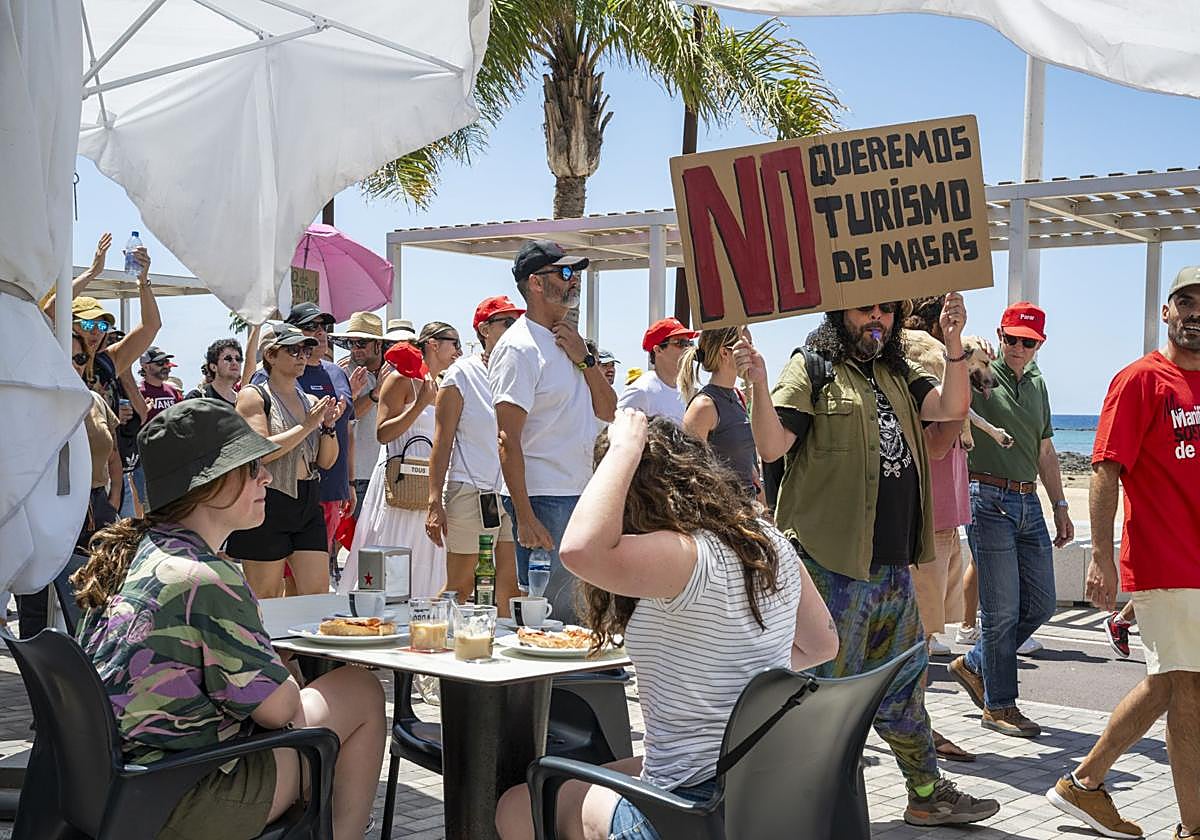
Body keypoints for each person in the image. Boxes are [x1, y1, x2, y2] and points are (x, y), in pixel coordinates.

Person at [494, 410, 840, 840]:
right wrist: (734, 656)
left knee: (518, 805)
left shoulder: (683, 555)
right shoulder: (765, 542)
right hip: (762, 792)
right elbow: (823, 645)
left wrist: (623, 448)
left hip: (688, 808)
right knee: (586, 776)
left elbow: (579, 549)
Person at [72, 399, 385, 840]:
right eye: (250, 466)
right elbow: (280, 710)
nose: (266, 476)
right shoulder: (205, 577)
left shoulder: (138, 552)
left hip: (120, 786)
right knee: (360, 689)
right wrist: (285, 672)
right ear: (208, 483)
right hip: (183, 798)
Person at [741, 293, 1000, 827]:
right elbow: (770, 446)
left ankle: (926, 794)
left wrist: (953, 344)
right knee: (825, 696)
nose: (875, 319)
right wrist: (758, 382)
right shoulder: (810, 366)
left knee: (904, 686)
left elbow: (949, 409)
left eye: (884, 310)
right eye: (864, 310)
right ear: (841, 315)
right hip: (828, 567)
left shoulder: (900, 372)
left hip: (891, 567)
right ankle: (805, 809)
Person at [1046, 267, 1200, 840]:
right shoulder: (1139, 380)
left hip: (1198, 566)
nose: (1194, 312)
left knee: (1167, 683)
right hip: (1166, 560)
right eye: (1184, 301)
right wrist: (1102, 555)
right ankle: (1192, 826)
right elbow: (1106, 469)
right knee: (1190, 685)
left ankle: (1083, 785)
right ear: (1166, 312)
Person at [947, 301, 1073, 738]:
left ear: (1039, 344)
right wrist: (956, 337)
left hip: (1029, 503)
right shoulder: (977, 370)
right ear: (999, 335)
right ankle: (999, 706)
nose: (1018, 347)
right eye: (1011, 338)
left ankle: (976, 663)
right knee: (1000, 613)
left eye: (1028, 341)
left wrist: (1060, 506)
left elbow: (1045, 451)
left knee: (1041, 604)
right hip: (987, 498)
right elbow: (946, 378)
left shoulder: (1038, 384)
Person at [490, 241, 617, 622]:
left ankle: (580, 680)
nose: (573, 280)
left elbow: (609, 409)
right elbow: (506, 438)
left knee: (583, 609)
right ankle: (559, 684)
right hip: (544, 498)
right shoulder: (519, 348)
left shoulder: (570, 344)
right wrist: (525, 516)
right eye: (564, 273)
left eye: (575, 273)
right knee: (553, 616)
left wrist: (587, 359)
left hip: (580, 492)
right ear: (536, 284)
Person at [15, 334, 123, 639]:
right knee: (38, 595)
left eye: (78, 358)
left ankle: (93, 663)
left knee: (97, 590)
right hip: (47, 504)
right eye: (64, 356)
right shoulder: (32, 403)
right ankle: (39, 674)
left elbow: (113, 453)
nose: (72, 364)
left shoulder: (96, 401)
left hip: (95, 504)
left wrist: (114, 497)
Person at [342, 322, 460, 598]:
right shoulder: (400, 379)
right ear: (432, 343)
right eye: (453, 342)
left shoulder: (444, 384)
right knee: (392, 553)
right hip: (399, 484)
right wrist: (420, 404)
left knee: (428, 556)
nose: (458, 349)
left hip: (429, 486)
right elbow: (383, 432)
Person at [228, 323, 344, 598]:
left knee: (316, 596)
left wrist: (327, 427)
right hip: (269, 500)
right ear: (270, 355)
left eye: (305, 349)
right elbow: (260, 451)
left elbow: (325, 462)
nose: (302, 356)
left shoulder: (310, 400)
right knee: (266, 597)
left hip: (307, 499)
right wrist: (306, 425)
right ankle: (262, 643)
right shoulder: (253, 395)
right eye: (293, 350)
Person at [427, 297, 522, 612]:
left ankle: (508, 657)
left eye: (516, 322)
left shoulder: (521, 370)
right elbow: (441, 444)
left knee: (511, 586)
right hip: (470, 490)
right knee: (462, 585)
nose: (514, 329)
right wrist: (433, 501)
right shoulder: (460, 374)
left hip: (511, 492)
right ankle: (424, 644)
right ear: (484, 329)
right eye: (506, 322)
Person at [274, 303, 360, 576]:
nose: (320, 333)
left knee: (316, 580)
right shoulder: (279, 375)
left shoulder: (336, 372)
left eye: (324, 327)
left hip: (332, 487)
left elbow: (346, 429)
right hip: (291, 488)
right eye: (311, 326)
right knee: (284, 580)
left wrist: (349, 482)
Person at [678, 326, 759, 499]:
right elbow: (687, 473)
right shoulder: (703, 406)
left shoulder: (739, 397)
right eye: (746, 346)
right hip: (724, 517)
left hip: (749, 512)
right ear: (725, 353)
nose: (753, 352)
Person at [332, 312, 387, 521]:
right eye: (351, 343)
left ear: (378, 345)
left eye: (361, 343)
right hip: (358, 474)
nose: (355, 349)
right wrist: (374, 395)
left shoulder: (393, 371)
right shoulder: (342, 372)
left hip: (387, 472)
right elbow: (341, 416)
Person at [617, 317, 697, 424]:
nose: (687, 349)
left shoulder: (684, 390)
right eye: (680, 343)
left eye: (689, 343)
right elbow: (617, 434)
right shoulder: (641, 390)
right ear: (658, 350)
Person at [186, 338, 249, 404]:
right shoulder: (197, 398)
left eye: (238, 359)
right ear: (213, 367)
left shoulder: (242, 402)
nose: (234, 362)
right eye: (228, 358)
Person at [138, 346, 184, 420]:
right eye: (160, 363)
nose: (165, 366)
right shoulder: (138, 393)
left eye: (166, 362)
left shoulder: (173, 392)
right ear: (146, 367)